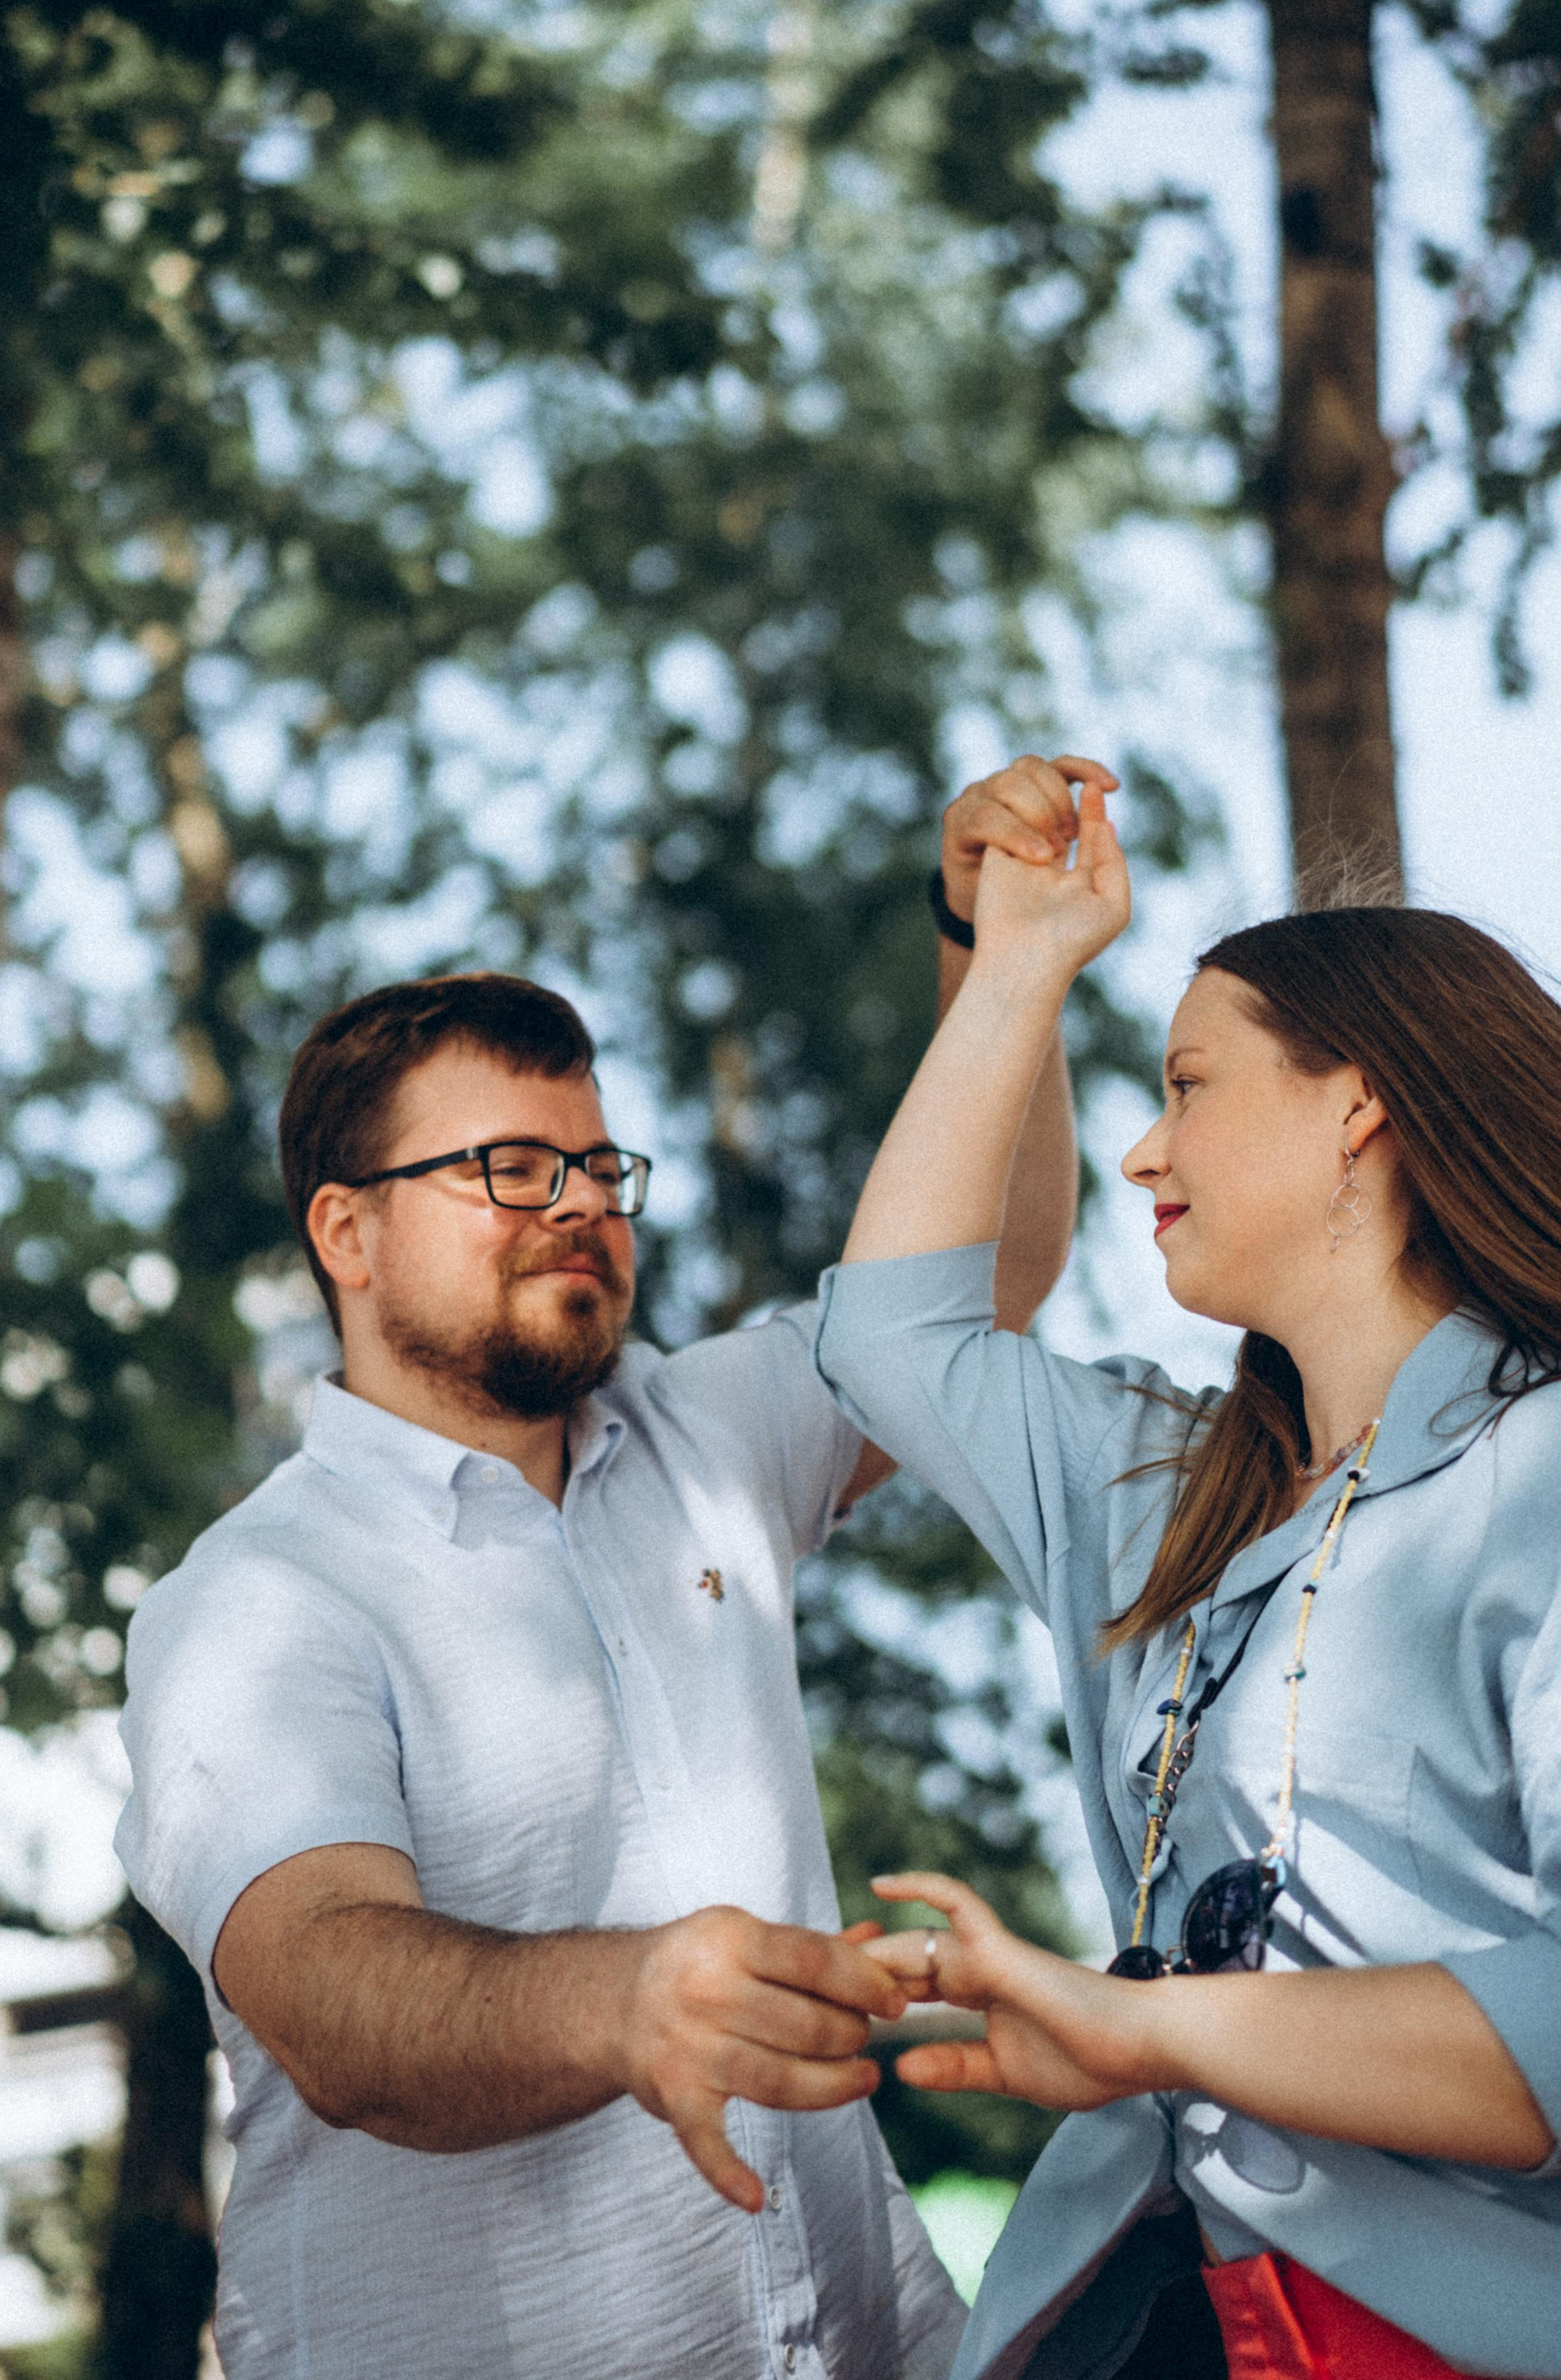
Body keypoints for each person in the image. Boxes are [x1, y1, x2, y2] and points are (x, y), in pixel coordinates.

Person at [113, 758, 1092, 2380]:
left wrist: (993, 955)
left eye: (594, 1166)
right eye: (506, 1168)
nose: (574, 1205)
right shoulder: (251, 1604)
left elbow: (979, 1285)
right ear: (344, 1236)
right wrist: (627, 2003)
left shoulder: (709, 1432)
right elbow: (332, 1998)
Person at [814, 770, 1561, 2380]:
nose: (1140, 1151)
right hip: (1155, 2316)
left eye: (1185, 1083)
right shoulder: (1170, 1493)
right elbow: (892, 1340)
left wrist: (1132, 2026)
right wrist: (1014, 958)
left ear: (1355, 1102)